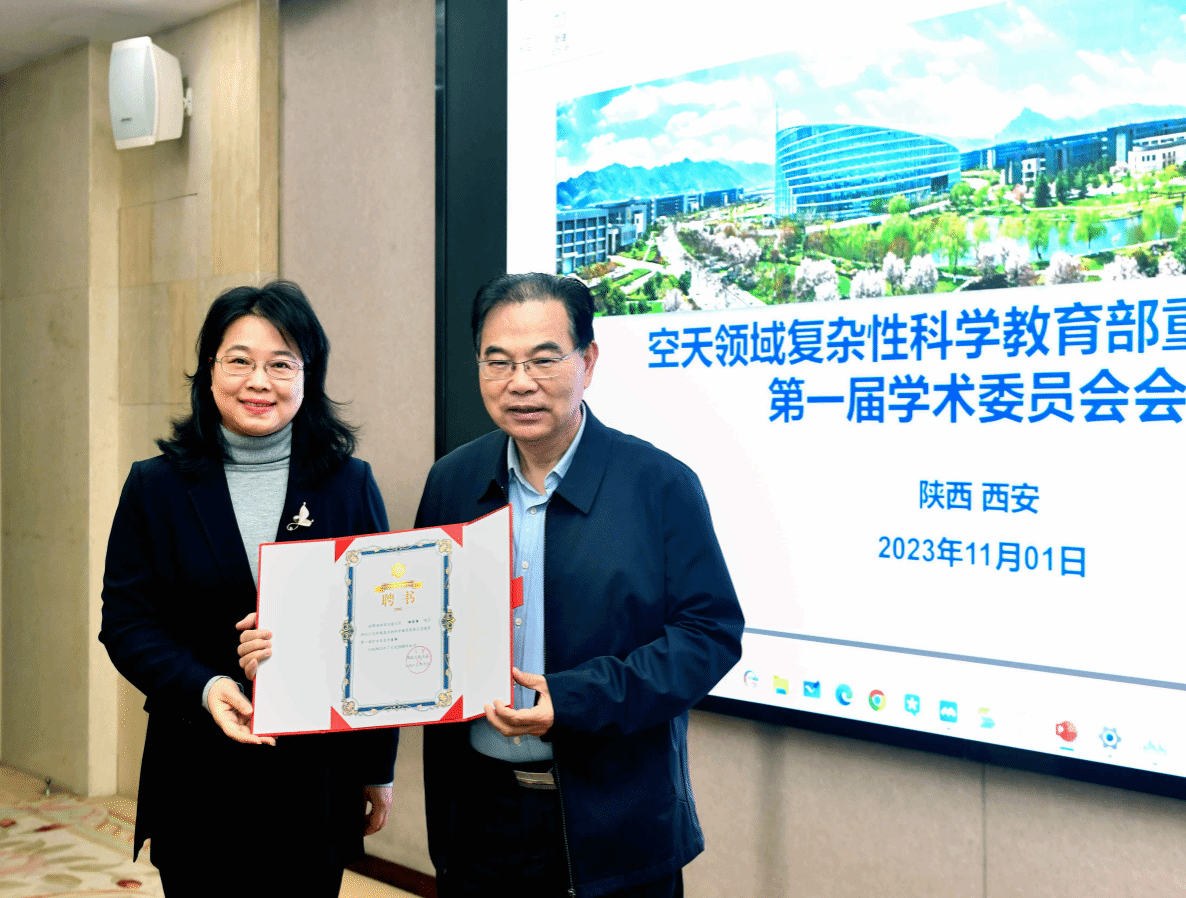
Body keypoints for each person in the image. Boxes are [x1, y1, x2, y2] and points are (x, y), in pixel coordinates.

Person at [415, 272, 744, 896]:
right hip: (478, 817)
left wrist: (574, 699)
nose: (520, 382)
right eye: (498, 362)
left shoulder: (658, 484)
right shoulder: (452, 482)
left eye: (544, 360)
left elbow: (709, 636)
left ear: (587, 362)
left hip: (615, 822)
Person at [99, 281, 399, 897]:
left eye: (281, 364)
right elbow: (126, 624)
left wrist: (377, 767)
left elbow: (379, 630)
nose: (259, 382)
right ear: (209, 370)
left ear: (308, 376)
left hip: (315, 781)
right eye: (239, 360)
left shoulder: (348, 485)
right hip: (197, 773)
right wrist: (206, 686)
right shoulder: (155, 488)